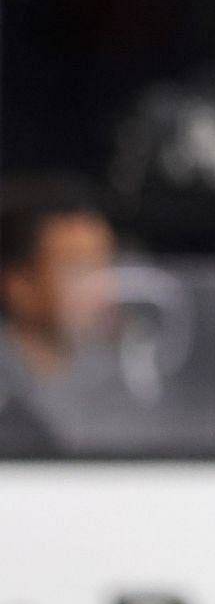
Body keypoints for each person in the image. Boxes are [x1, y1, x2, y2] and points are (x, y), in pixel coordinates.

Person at [0, 177, 146, 455]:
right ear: (20, 285)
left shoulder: (129, 384)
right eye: (79, 272)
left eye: (107, 267)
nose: (104, 288)